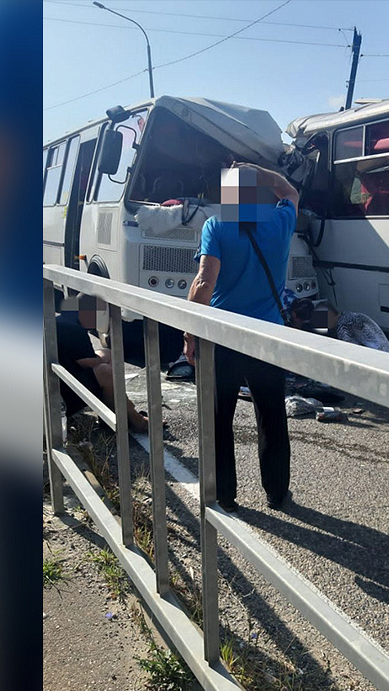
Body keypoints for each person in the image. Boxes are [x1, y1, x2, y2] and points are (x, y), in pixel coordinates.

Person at [184, 162, 299, 512]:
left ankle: (225, 495)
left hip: (224, 337)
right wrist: (257, 171)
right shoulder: (280, 221)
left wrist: (190, 333)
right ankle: (276, 492)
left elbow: (205, 281)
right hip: (268, 336)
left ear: (227, 196)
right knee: (272, 416)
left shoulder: (216, 225)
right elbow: (289, 190)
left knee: (219, 417)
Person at [56, 295, 156, 434]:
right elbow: (88, 363)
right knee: (105, 373)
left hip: (57, 388)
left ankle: (113, 414)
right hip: (59, 400)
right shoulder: (72, 329)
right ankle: (136, 420)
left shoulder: (63, 321)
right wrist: (104, 359)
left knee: (107, 357)